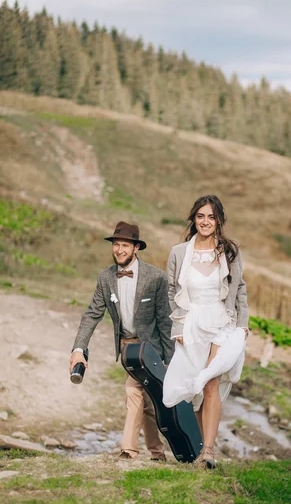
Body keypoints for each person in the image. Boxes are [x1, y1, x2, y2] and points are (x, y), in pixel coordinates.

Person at [69, 221, 174, 461]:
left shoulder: (156, 278)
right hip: (127, 348)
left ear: (136, 248)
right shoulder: (105, 278)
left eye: (125, 245)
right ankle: (158, 454)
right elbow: (92, 314)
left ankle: (128, 451)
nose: (119, 250)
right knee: (145, 401)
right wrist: (78, 349)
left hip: (151, 349)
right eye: (116, 245)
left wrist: (171, 361)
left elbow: (165, 322)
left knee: (133, 391)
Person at [163, 195, 249, 469]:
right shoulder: (178, 253)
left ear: (219, 220)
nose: (206, 222)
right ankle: (202, 450)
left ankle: (209, 451)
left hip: (222, 322)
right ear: (194, 219)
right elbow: (171, 293)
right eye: (201, 216)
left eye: (211, 217)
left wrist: (243, 323)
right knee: (197, 391)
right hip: (191, 325)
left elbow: (240, 289)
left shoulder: (230, 251)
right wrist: (177, 328)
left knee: (211, 382)